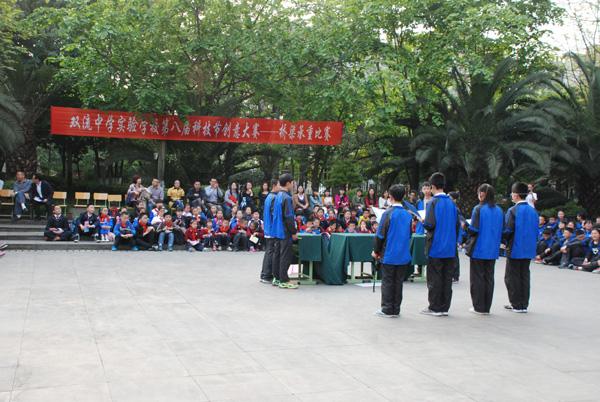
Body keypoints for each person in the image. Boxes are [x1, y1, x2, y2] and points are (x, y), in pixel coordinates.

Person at [372, 184, 413, 318]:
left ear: (390, 196)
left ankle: (387, 309)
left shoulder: (387, 213)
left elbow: (380, 235)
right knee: (398, 282)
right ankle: (396, 308)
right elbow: (409, 234)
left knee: (388, 282)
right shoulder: (408, 215)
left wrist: (376, 251)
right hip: (403, 253)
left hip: (389, 253)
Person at [421, 172, 459, 317]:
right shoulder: (451, 202)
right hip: (450, 247)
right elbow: (456, 224)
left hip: (436, 246)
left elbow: (430, 224)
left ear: (432, 187)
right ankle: (444, 307)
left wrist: (423, 221)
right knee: (447, 278)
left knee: (435, 277)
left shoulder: (432, 202)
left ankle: (435, 307)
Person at [466, 184, 504, 315]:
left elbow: (473, 229)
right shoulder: (499, 210)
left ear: (482, 194)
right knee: (489, 278)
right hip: (492, 249)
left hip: (479, 248)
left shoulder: (478, 209)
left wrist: (465, 226)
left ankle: (478, 306)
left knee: (477, 278)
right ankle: (487, 307)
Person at [503, 182, 539, 313]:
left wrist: (503, 242)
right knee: (524, 275)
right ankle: (524, 304)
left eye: (512, 193)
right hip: (528, 248)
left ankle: (516, 303)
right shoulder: (533, 211)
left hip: (515, 248)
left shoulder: (512, 210)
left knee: (512, 276)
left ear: (516, 195)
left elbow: (508, 230)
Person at [272, 173, 299, 289]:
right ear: (288, 183)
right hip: (284, 231)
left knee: (277, 254)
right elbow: (288, 217)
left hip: (277, 230)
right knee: (285, 255)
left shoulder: (278, 195)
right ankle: (284, 280)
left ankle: (277, 278)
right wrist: (293, 232)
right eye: (292, 183)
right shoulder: (287, 198)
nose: (293, 185)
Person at [260, 179, 279, 284]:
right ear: (274, 185)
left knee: (269, 251)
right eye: (280, 185)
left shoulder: (269, 197)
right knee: (270, 252)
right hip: (272, 229)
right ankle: (266, 275)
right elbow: (274, 214)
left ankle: (265, 274)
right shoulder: (274, 198)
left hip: (268, 228)